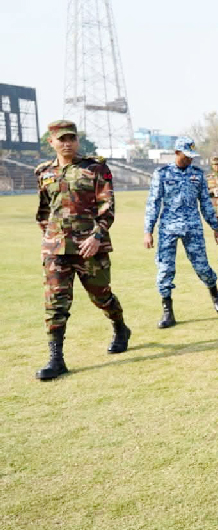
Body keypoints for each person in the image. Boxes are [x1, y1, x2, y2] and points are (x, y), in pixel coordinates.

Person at [33, 120, 130, 380]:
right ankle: (56, 359)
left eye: (71, 138)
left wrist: (97, 236)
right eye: (61, 139)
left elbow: (107, 208)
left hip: (90, 247)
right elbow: (44, 211)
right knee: (55, 304)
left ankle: (120, 327)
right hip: (56, 249)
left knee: (101, 296)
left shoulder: (95, 168)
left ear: (77, 141)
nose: (67, 143)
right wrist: (51, 237)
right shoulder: (43, 172)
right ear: (51, 142)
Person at [144, 136, 218, 327]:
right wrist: (148, 230)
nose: (190, 159)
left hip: (193, 228)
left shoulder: (197, 175)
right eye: (186, 156)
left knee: (202, 268)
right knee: (165, 270)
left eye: (192, 156)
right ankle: (168, 312)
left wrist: (214, 226)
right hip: (168, 228)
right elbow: (153, 203)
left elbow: (205, 202)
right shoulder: (162, 174)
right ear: (176, 153)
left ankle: (215, 294)